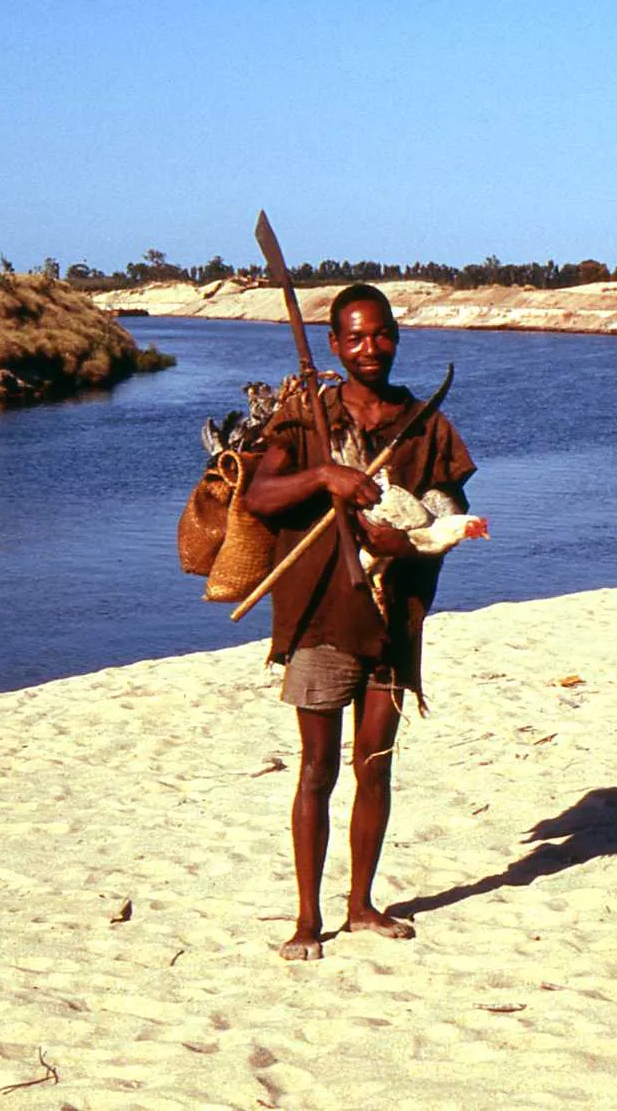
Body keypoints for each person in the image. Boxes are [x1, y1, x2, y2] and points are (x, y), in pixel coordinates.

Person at [240, 283, 476, 961]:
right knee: (317, 769)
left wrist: (421, 536)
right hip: (321, 611)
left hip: (395, 614)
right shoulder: (305, 416)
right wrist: (324, 479)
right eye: (355, 337)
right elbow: (259, 496)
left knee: (373, 764)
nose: (370, 348)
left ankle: (362, 905)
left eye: (381, 334)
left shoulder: (425, 424)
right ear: (335, 345)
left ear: (395, 338)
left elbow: (447, 508)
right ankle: (307, 920)